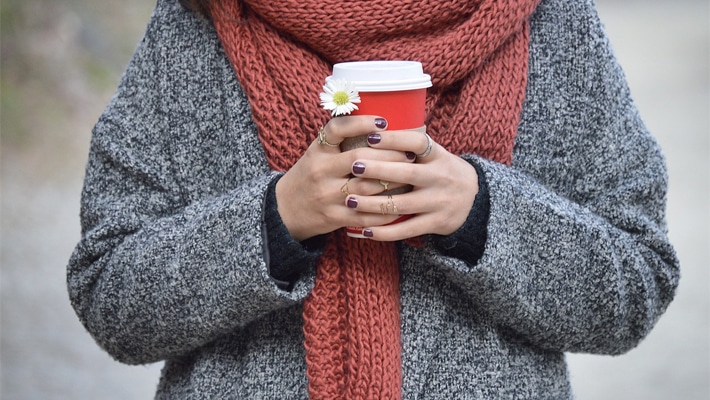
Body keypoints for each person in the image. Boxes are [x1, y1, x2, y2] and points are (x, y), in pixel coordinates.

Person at [66, 0, 680, 398]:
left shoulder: (552, 22)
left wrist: (483, 213)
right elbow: (110, 299)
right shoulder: (197, 25)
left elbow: (636, 285)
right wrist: (273, 221)